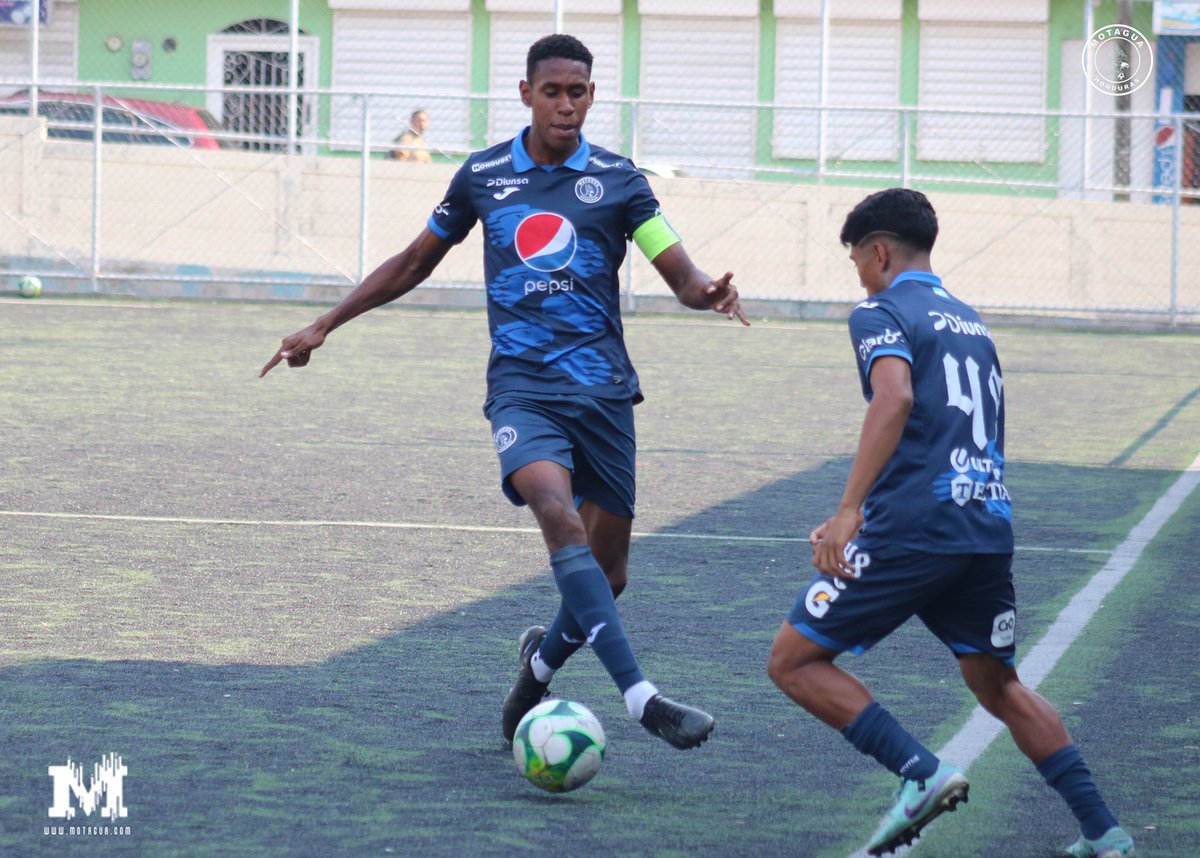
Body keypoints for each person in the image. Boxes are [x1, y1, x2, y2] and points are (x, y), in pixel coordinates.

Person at [261, 34, 748, 751]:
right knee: (556, 512)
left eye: (578, 91)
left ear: (591, 95)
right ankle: (642, 699)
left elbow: (676, 269)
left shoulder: (619, 180)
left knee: (606, 578)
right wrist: (326, 322)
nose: (565, 104)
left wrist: (706, 290)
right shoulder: (484, 174)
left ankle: (537, 670)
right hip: (523, 389)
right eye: (552, 91)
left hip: (604, 393)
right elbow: (413, 262)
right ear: (526, 94)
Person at [766, 189, 1133, 858]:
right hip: (983, 524)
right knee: (998, 683)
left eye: (856, 260)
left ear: (878, 252)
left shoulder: (879, 310)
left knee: (793, 661)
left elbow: (896, 397)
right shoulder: (970, 321)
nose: (858, 275)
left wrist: (854, 513)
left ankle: (921, 774)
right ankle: (1105, 833)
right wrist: (855, 507)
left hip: (917, 530)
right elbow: (950, 430)